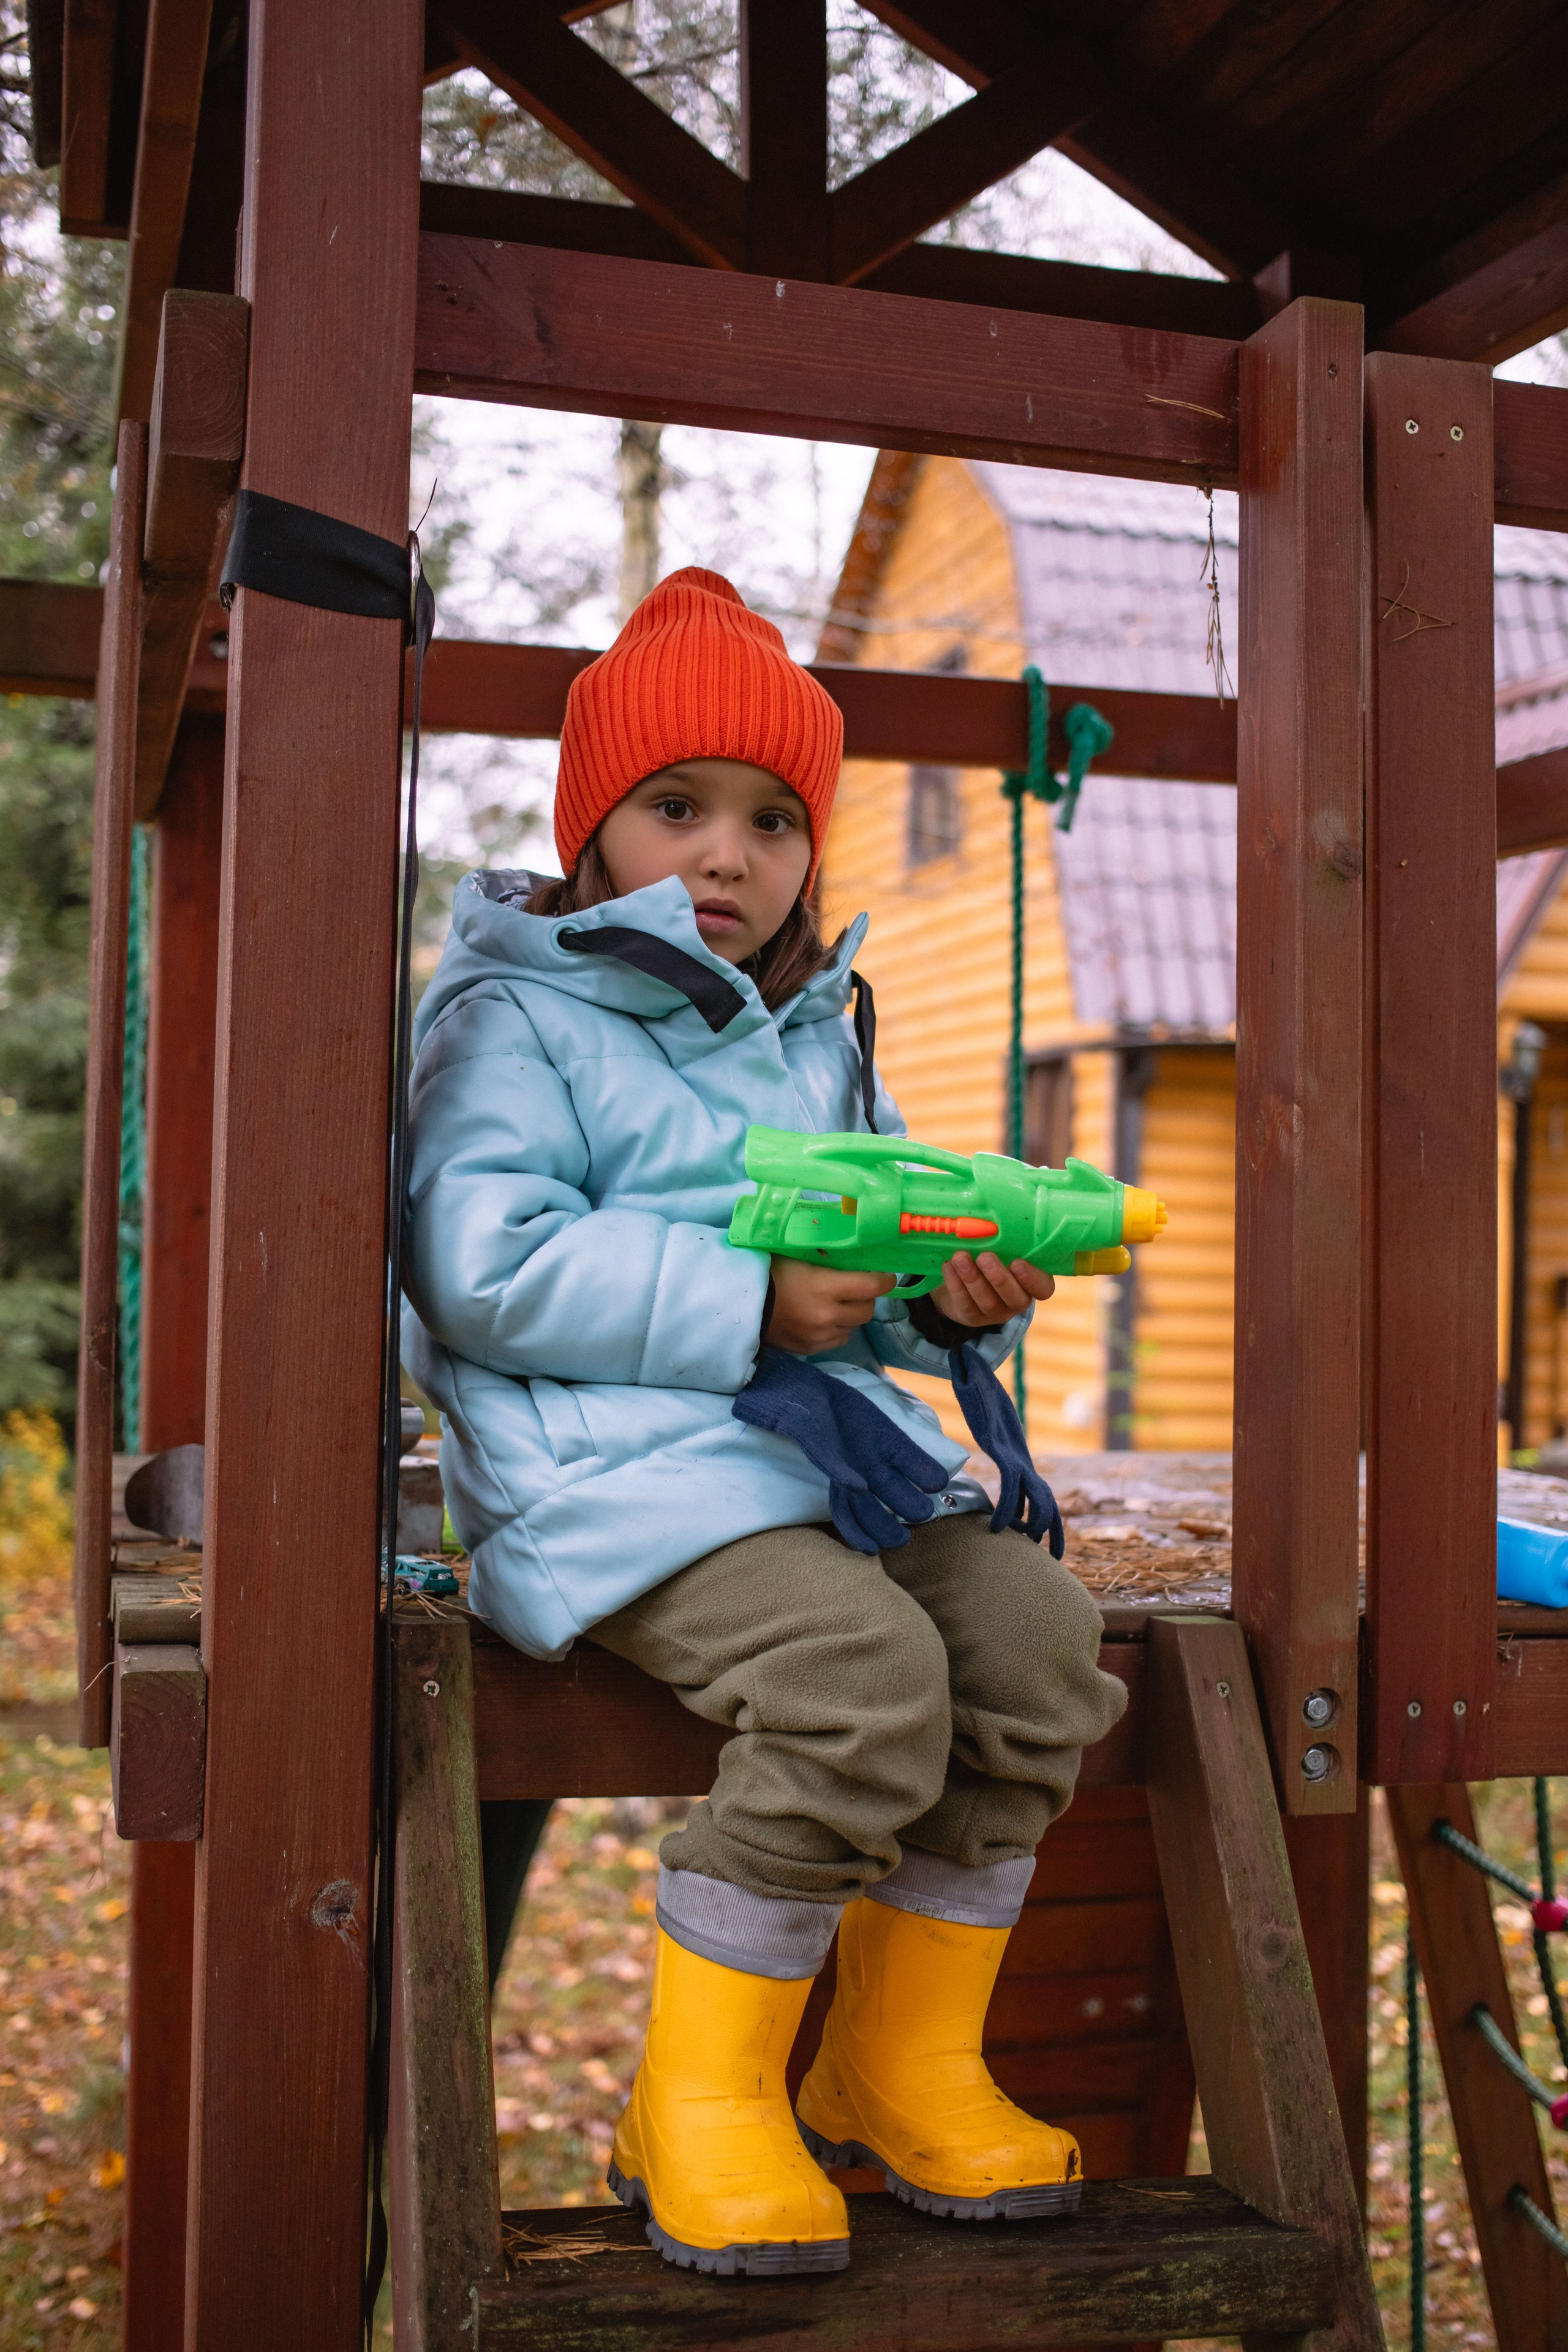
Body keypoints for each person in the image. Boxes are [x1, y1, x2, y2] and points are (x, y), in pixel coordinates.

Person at [401, 567, 1127, 2277]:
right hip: (601, 1475)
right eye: (678, 808)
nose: (727, 855)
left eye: (773, 820)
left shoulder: (814, 1030)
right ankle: (705, 2100)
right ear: (593, 827)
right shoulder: (515, 1015)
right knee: (857, 1676)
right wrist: (746, 1297)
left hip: (804, 1458)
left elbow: (858, 1263)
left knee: (1036, 1641)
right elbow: (475, 1267)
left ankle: (896, 2059)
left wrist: (939, 1298)